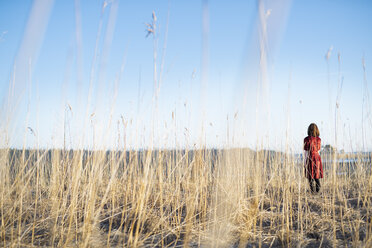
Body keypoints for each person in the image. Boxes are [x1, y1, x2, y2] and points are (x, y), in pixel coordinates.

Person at [304, 123, 323, 193]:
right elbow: (318, 150)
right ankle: (317, 190)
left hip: (310, 157)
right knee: (316, 175)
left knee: (310, 175)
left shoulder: (306, 139)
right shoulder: (319, 139)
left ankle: (313, 191)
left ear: (309, 130)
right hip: (317, 158)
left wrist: (305, 161)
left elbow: (306, 152)